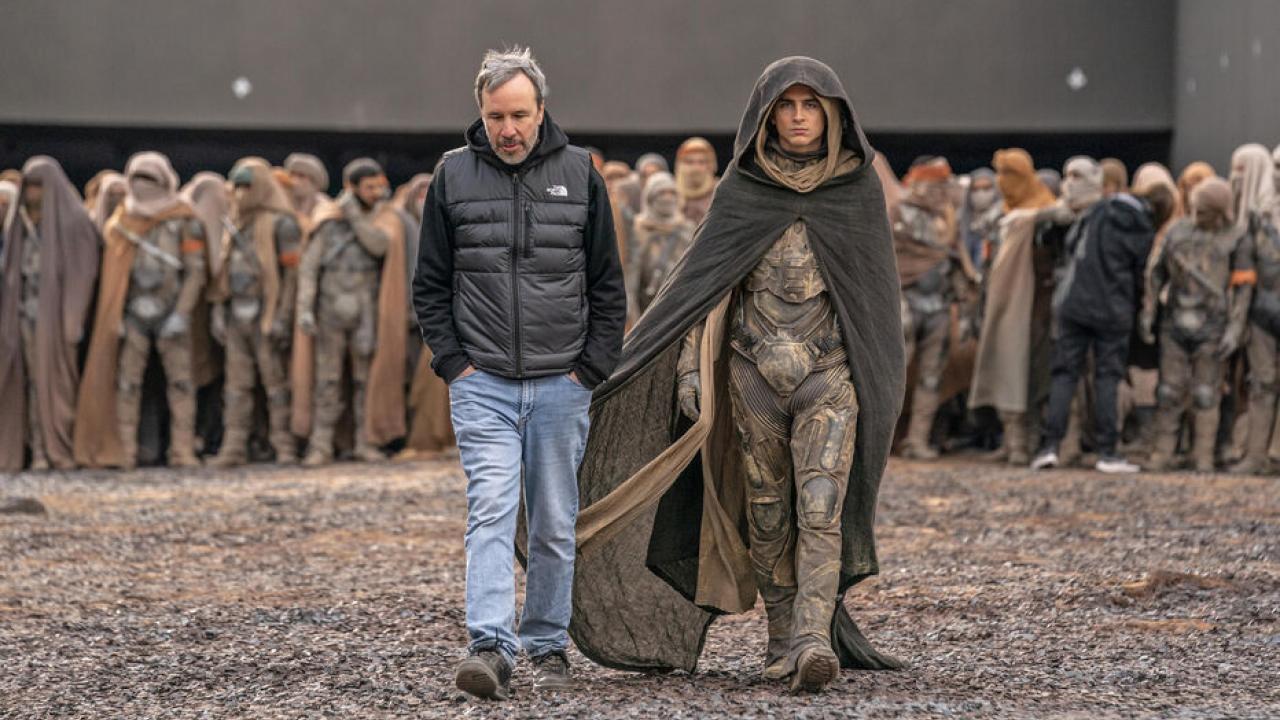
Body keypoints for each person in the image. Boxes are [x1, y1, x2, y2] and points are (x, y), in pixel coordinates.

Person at [566, 56, 904, 694]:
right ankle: (781, 639)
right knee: (769, 513)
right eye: (787, 105)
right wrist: (690, 373)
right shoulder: (743, 188)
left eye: (811, 105)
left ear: (832, 114)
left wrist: (877, 382)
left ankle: (811, 637)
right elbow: (700, 286)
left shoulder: (855, 188)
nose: (799, 117)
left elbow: (874, 302)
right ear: (768, 115)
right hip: (752, 374)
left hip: (829, 372)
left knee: (821, 505)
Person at [412, 47, 625, 700]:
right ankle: (490, 646)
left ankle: (546, 644)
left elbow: (607, 284)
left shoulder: (580, 173)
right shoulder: (450, 178)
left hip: (562, 383)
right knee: (493, 509)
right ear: (480, 111)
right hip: (485, 384)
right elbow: (430, 285)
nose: (509, 129)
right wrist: (457, 365)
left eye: (520, 115)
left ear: (541, 111)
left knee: (557, 521)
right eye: (497, 115)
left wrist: (589, 369)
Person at [1031, 175, 1174, 473]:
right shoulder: (1143, 229)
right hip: (1114, 309)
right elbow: (1142, 276)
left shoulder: (1097, 210)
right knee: (1108, 376)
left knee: (1064, 374)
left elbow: (1071, 246)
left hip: (1073, 303)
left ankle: (1049, 447)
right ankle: (1108, 452)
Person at [74, 152, 206, 470]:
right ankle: (126, 450)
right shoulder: (122, 220)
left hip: (170, 309)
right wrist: (115, 314)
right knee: (127, 384)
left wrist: (183, 312)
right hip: (133, 311)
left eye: (149, 179)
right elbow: (112, 271)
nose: (141, 185)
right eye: (136, 178)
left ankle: (182, 450)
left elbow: (196, 270)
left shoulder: (184, 219)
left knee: (181, 383)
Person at [294, 157, 407, 466]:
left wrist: (356, 216)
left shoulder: (383, 217)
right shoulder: (328, 219)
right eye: (368, 187)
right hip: (330, 309)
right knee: (327, 380)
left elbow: (379, 246)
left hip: (367, 310)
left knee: (365, 381)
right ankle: (321, 445)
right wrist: (305, 307)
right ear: (350, 187)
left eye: (378, 186)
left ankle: (365, 441)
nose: (375, 192)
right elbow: (309, 268)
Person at [1139, 177, 1251, 472]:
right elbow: (1155, 272)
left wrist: (1235, 329)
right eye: (1196, 210)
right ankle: (1162, 452)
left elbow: (1243, 288)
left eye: (1205, 212)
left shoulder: (1236, 237)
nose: (1198, 217)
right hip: (1175, 320)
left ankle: (1202, 455)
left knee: (1206, 393)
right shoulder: (1177, 232)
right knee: (1169, 391)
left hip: (1213, 325)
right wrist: (1149, 312)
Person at [0, 157, 101, 472]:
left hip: (56, 321)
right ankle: (38, 450)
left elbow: (83, 274)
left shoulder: (73, 222)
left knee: (56, 386)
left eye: (37, 186)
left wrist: (72, 318)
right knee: (29, 384)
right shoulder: (22, 223)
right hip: (24, 316)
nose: (31, 194)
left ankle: (59, 447)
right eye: (28, 186)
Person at [205, 158, 303, 467]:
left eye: (247, 185)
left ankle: (283, 445)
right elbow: (224, 272)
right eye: (237, 185)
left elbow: (291, 278)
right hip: (237, 312)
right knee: (236, 386)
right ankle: (234, 446)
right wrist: (219, 311)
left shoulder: (282, 223)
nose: (240, 192)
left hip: (266, 312)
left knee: (275, 385)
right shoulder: (234, 222)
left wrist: (281, 316)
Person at [969, 149, 1056, 465]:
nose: (1003, 183)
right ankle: (1012, 440)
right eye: (1000, 174)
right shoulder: (1001, 213)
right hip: (1002, 303)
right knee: (1003, 368)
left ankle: (1027, 442)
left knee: (1029, 373)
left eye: (1011, 175)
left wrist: (1032, 218)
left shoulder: (1042, 208)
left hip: (1035, 307)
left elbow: (1064, 215)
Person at [894, 156, 975, 460]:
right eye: (934, 184)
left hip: (939, 306)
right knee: (894, 376)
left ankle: (917, 440)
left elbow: (954, 256)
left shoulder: (948, 218)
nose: (939, 191)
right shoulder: (897, 213)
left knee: (931, 377)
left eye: (943, 185)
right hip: (905, 302)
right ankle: (880, 441)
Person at [1226, 144, 1279, 473]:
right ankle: (1255, 454)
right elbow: (1245, 273)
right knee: (1261, 382)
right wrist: (1238, 321)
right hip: (1263, 311)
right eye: (1275, 166)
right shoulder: (1258, 218)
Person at [628, 171, 694, 316]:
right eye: (662, 193)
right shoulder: (637, 229)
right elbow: (631, 273)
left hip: (680, 306)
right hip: (645, 306)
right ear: (650, 197)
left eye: (672, 193)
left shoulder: (687, 229)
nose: (667, 198)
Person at [675, 136, 718, 226]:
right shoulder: (668, 190)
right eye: (689, 162)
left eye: (702, 162)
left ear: (711, 165)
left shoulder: (722, 192)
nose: (695, 168)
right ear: (679, 165)